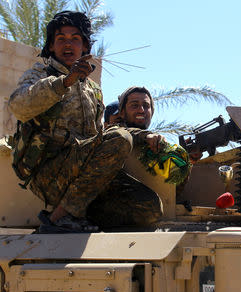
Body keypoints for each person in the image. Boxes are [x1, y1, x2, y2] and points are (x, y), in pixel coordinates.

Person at [8, 11, 162, 233]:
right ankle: (60, 217)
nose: (68, 44)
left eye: (75, 39)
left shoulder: (92, 89)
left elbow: (101, 135)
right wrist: (64, 82)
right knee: (120, 138)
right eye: (61, 39)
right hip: (50, 173)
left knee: (149, 209)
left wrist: (144, 136)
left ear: (85, 47)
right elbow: (18, 105)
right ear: (51, 46)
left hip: (84, 177)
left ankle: (78, 214)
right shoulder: (41, 73)